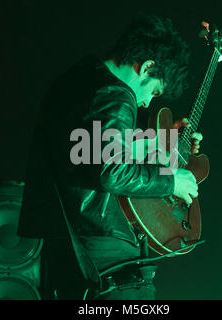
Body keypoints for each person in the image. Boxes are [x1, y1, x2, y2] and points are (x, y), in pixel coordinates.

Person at [18, 14, 203, 300]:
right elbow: (111, 170)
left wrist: (165, 140)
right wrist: (171, 182)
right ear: (147, 67)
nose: (146, 102)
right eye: (153, 91)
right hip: (104, 251)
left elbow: (90, 151)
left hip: (66, 244)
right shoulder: (116, 93)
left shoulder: (76, 81)